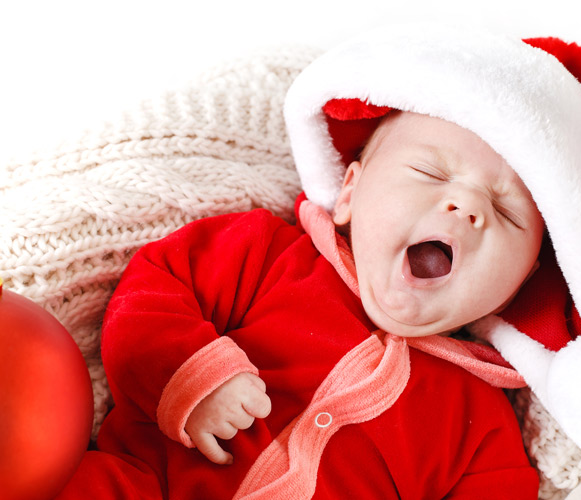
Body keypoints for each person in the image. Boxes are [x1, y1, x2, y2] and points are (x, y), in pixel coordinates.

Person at [58, 89, 547, 500]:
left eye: (506, 213)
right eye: (431, 173)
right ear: (350, 193)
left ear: (512, 292)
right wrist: (193, 376)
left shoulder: (480, 425)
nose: (466, 207)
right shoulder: (268, 253)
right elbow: (154, 288)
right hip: (152, 483)